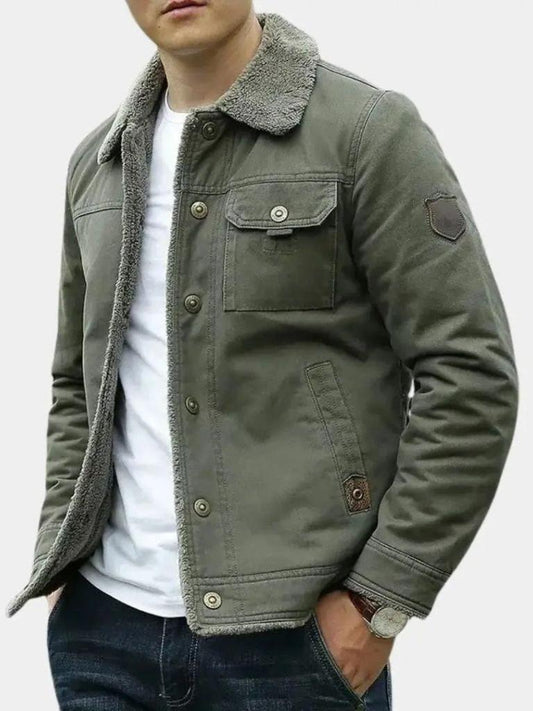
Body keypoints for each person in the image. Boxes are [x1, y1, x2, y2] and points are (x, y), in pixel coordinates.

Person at [6, 2, 518, 709]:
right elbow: (77, 382)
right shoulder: (99, 165)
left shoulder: (365, 133)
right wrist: (59, 557)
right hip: (103, 636)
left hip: (293, 645)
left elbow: (470, 373)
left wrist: (378, 601)